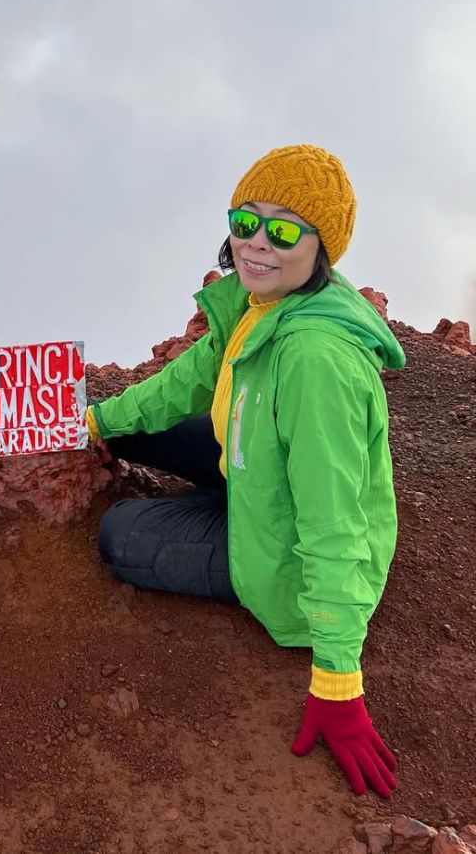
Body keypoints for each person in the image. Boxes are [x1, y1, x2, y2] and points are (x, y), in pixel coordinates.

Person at [87, 144, 404, 799]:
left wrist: (338, 680)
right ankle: (220, 512)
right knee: (144, 425)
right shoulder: (263, 307)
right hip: (260, 470)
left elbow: (334, 521)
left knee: (121, 532)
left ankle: (230, 541)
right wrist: (95, 424)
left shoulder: (316, 360)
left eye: (284, 229)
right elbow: (184, 383)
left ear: (324, 245)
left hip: (286, 555)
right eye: (246, 220)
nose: (258, 242)